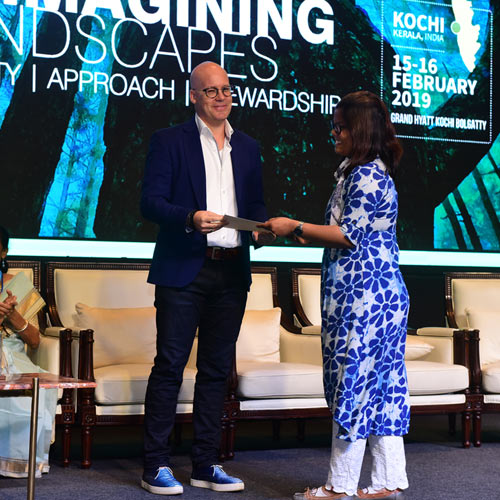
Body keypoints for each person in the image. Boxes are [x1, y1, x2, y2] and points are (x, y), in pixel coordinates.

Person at [260, 91, 409, 500]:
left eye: (341, 127)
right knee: (378, 389)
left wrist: (295, 225)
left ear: (360, 130)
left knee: (354, 387)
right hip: (372, 297)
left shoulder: (366, 176)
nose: (335, 133)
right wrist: (296, 233)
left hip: (367, 300)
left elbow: (348, 235)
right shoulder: (359, 172)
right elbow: (341, 234)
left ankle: (340, 485)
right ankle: (388, 479)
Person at [140, 61, 274, 495]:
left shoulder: (248, 146)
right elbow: (150, 202)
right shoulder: (169, 141)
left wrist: (262, 228)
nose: (221, 97)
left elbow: (254, 204)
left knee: (216, 371)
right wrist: (189, 217)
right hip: (184, 269)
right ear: (193, 96)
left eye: (226, 89)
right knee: (170, 367)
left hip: (232, 271)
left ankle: (205, 464)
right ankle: (156, 465)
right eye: (211, 90)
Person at [0, 225, 58, 478]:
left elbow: (34, 341)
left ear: (4, 252)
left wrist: (14, 317)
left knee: (39, 385)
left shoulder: (18, 286)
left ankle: (22, 462)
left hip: (14, 355)